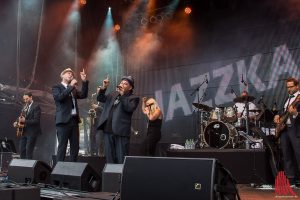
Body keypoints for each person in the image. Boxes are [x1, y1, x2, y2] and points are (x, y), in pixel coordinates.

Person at [96, 76, 139, 164]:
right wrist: (104, 87)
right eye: (122, 82)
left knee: (121, 158)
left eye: (125, 84)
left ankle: (121, 177)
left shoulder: (133, 98)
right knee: (110, 158)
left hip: (121, 132)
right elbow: (100, 98)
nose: (122, 84)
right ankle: (111, 177)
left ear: (130, 87)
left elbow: (129, 108)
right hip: (108, 130)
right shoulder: (113, 94)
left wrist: (123, 95)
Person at [52, 68, 89, 162]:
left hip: (74, 120)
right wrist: (71, 86)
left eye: (72, 74)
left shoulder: (72, 89)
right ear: (62, 75)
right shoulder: (57, 87)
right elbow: (59, 97)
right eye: (68, 73)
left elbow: (83, 95)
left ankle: (72, 169)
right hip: (63, 121)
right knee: (62, 147)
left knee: (75, 147)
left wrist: (84, 81)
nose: (70, 75)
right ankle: (58, 170)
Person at [274, 77, 300, 187]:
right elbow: (283, 111)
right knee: (287, 155)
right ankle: (291, 180)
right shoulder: (288, 98)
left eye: (291, 86)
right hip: (285, 130)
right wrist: (278, 116)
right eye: (287, 87)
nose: (289, 89)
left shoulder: (298, 98)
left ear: (297, 86)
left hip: (296, 129)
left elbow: (296, 114)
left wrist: (295, 113)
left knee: (298, 154)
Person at [13, 92, 41, 159]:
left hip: (32, 132)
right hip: (24, 131)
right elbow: (21, 116)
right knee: (22, 150)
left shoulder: (36, 106)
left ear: (31, 97)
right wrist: (16, 122)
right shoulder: (24, 106)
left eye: (27, 99)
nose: (25, 101)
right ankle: (23, 167)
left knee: (29, 151)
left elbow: (36, 121)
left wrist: (25, 121)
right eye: (24, 99)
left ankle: (28, 168)